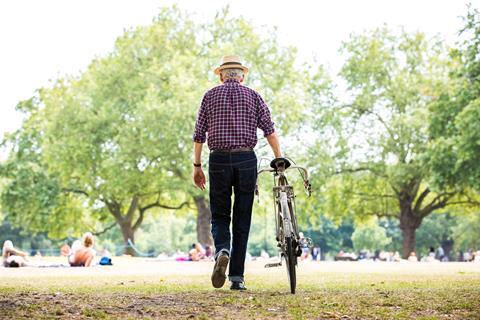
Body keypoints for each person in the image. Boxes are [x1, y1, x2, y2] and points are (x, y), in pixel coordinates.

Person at [192, 55, 281, 291]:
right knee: (242, 219)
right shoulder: (253, 96)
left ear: (221, 75)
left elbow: (199, 134)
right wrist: (277, 158)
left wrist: (197, 166)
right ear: (241, 75)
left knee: (220, 215)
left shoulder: (210, 96)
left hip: (218, 159)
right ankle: (237, 278)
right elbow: (269, 131)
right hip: (246, 160)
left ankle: (222, 249)